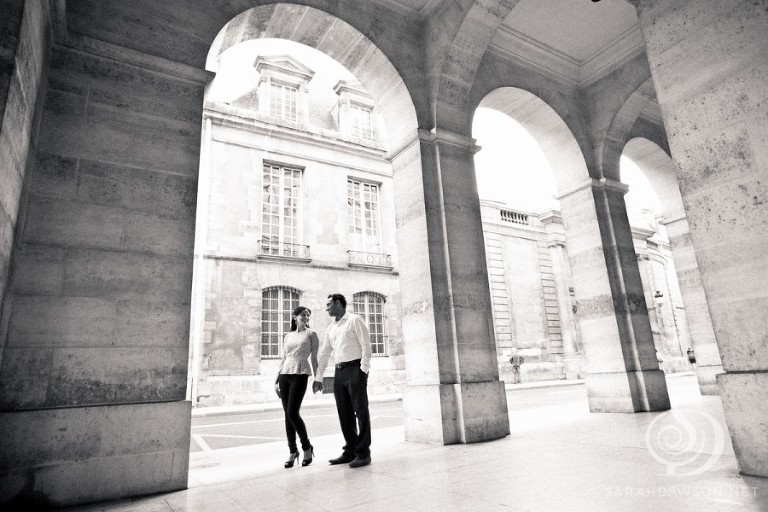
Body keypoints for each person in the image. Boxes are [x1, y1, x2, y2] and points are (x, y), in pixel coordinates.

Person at [312, 293, 372, 468]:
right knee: (344, 413)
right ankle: (350, 451)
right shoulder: (331, 328)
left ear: (338, 303)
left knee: (361, 411)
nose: (326, 308)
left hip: (355, 369)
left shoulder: (355, 320)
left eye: (329, 305)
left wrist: (363, 370)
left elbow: (366, 345)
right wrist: (318, 377)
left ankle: (363, 453)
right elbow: (325, 353)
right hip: (339, 372)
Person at [275, 305, 319, 469]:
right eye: (303, 315)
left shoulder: (311, 334)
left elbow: (314, 358)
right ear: (295, 317)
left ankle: (307, 447)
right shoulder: (288, 336)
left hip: (300, 373)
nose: (306, 318)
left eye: (308, 315)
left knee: (293, 412)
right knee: (287, 414)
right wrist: (276, 379)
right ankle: (293, 451)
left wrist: (317, 378)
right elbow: (284, 358)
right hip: (285, 374)